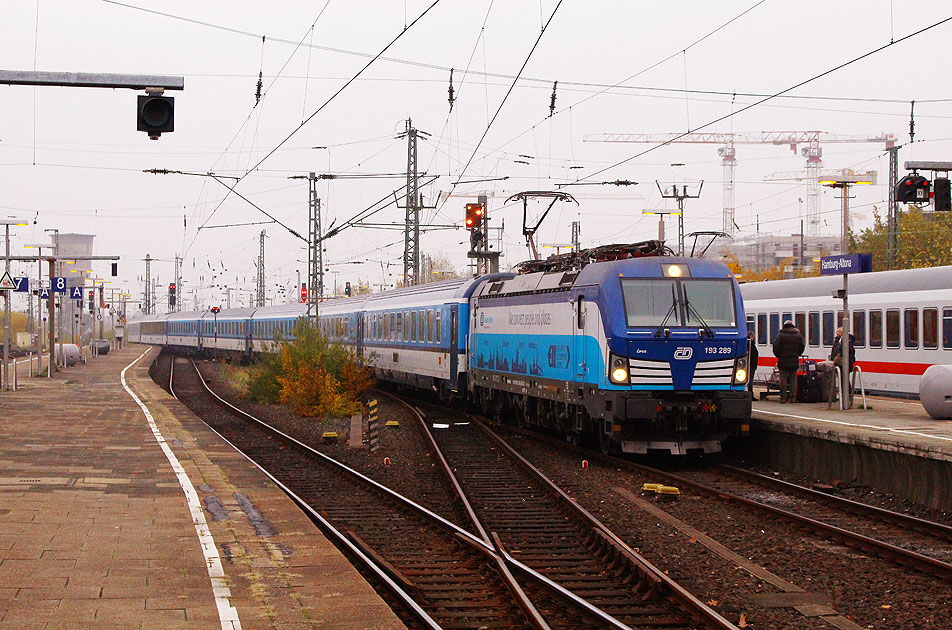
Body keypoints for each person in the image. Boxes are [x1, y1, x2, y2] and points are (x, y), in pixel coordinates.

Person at [772, 320, 805, 403]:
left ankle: (783, 397)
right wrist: (797, 354)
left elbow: (775, 347)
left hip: (782, 360)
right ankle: (793, 397)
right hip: (794, 359)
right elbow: (802, 347)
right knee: (793, 379)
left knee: (783, 379)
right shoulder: (798, 336)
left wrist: (778, 355)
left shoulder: (780, 335)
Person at [831, 326, 856, 404]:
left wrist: (834, 360)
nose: (836, 333)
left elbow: (843, 351)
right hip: (840, 363)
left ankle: (846, 396)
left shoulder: (847, 340)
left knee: (844, 379)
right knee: (843, 379)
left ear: (842, 332)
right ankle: (844, 395)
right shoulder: (838, 340)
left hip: (844, 363)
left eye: (838, 331)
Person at [747, 330, 759, 396]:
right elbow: (754, 355)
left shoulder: (748, 344)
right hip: (751, 365)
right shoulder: (751, 344)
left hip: (750, 364)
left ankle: (751, 393)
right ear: (751, 336)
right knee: (750, 380)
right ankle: (750, 394)